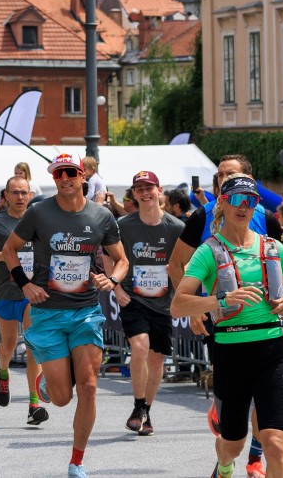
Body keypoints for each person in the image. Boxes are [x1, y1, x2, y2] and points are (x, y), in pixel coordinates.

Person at [1, 153, 126, 478]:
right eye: (59, 174)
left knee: (88, 386)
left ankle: (77, 461)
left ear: (82, 175)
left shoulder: (101, 216)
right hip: (48, 314)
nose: (65, 178)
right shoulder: (39, 212)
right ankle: (48, 381)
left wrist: (111, 280)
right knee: (60, 399)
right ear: (53, 178)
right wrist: (25, 285)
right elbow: (9, 250)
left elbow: (122, 260)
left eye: (71, 172)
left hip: (85, 312)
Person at [174, 175, 283, 478]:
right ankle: (224, 467)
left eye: (250, 200)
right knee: (232, 443)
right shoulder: (208, 251)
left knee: (275, 443)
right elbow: (178, 304)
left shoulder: (272, 247)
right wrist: (221, 298)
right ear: (223, 202)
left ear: (257, 207)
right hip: (231, 355)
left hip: (272, 352)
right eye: (236, 199)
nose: (243, 206)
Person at [114, 170, 184, 436]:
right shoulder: (124, 225)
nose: (144, 193)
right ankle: (138, 404)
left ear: (159, 191)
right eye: (139, 189)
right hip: (133, 298)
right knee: (140, 346)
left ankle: (146, 411)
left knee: (157, 361)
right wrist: (117, 288)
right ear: (134, 193)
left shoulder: (176, 227)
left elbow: (186, 264)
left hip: (163, 302)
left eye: (149, 188)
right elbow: (111, 256)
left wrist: (178, 283)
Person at [0, 176, 43, 421]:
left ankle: (33, 404)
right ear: (6, 195)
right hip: (6, 291)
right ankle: (3, 373)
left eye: (24, 193)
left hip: (31, 291)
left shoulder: (38, 221)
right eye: (15, 193)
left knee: (32, 344)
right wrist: (5, 256)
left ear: (29, 195)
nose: (19, 197)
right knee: (7, 345)